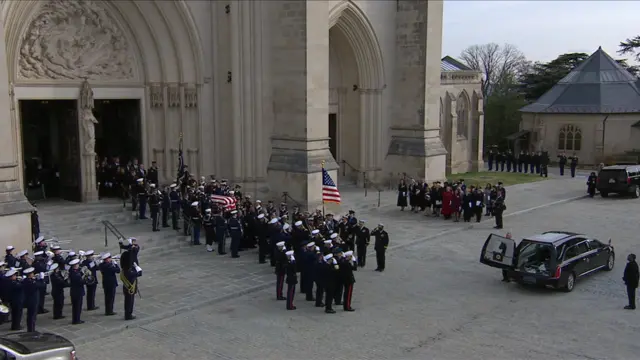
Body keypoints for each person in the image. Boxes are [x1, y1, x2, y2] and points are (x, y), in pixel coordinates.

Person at [120, 250, 141, 320]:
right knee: (129, 302)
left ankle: (128, 314)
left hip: (127, 287)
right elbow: (139, 273)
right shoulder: (129, 271)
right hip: (130, 288)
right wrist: (137, 268)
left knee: (128, 301)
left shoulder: (124, 270)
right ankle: (128, 315)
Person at [22, 267, 43, 332]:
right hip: (32, 301)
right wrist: (41, 279)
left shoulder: (26, 280)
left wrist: (36, 279)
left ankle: (32, 329)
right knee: (32, 316)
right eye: (32, 273)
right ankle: (31, 330)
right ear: (30, 274)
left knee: (32, 316)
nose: (33, 274)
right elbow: (40, 285)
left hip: (31, 300)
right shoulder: (30, 282)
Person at [68, 258, 85, 324]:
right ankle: (76, 320)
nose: (78, 265)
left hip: (76, 291)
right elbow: (80, 281)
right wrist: (84, 279)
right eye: (77, 264)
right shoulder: (74, 273)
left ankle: (77, 319)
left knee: (77, 307)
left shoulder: (74, 271)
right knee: (77, 307)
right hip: (76, 292)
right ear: (75, 265)